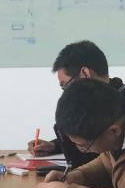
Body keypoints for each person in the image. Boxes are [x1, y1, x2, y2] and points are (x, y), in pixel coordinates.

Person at [27, 39, 118, 167]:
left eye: (65, 86)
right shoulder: (110, 98)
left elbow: (87, 158)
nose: (65, 94)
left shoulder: (118, 109)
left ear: (85, 74)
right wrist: (54, 145)